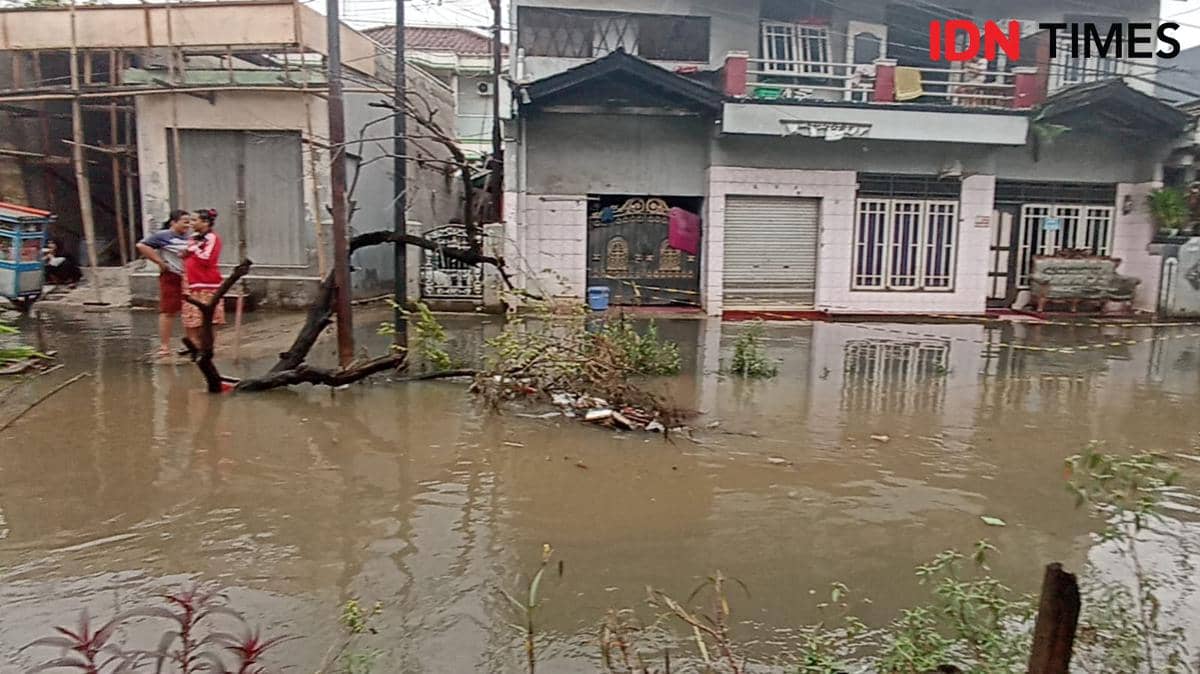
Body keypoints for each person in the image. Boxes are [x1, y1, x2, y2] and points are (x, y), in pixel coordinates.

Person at [136, 210, 191, 357]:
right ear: (173, 222)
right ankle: (165, 346)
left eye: (189, 222)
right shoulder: (163, 236)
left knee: (190, 311)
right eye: (185, 221)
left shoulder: (190, 237)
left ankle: (191, 343)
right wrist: (160, 262)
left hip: (189, 277)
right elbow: (142, 246)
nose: (188, 225)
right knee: (168, 311)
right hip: (171, 276)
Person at [181, 208, 224, 349]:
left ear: (205, 222)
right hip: (191, 282)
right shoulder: (194, 237)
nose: (190, 223)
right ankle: (195, 348)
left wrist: (194, 249)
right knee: (191, 320)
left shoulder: (212, 238)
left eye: (194, 220)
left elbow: (207, 259)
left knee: (209, 320)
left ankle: (207, 349)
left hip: (206, 283)